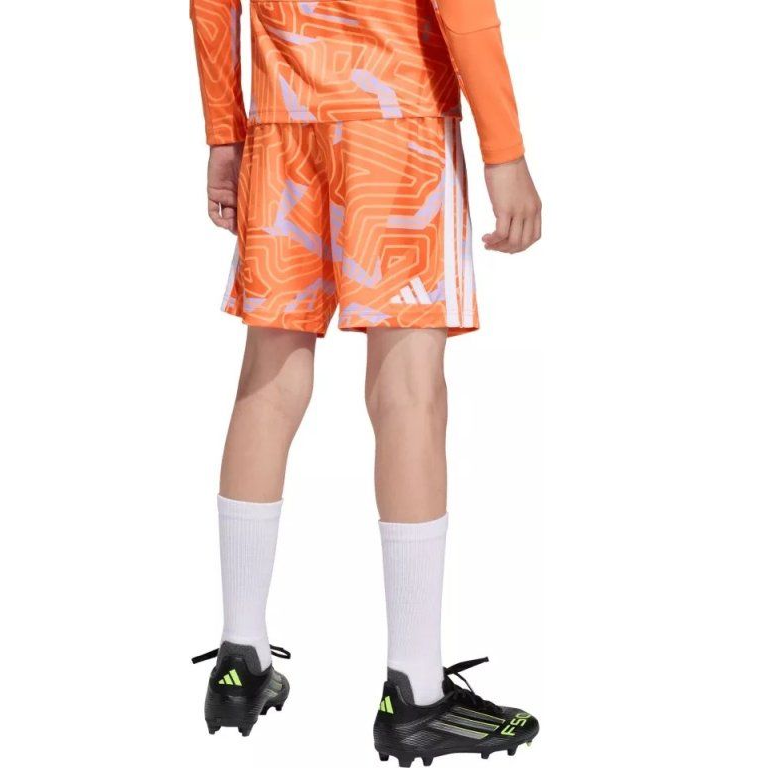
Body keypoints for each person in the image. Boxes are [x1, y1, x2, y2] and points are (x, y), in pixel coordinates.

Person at [188, 0, 542, 763]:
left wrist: (224, 132)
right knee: (409, 392)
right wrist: (504, 149)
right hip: (398, 113)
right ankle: (416, 692)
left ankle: (240, 658)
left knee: (269, 378)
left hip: (282, 120)